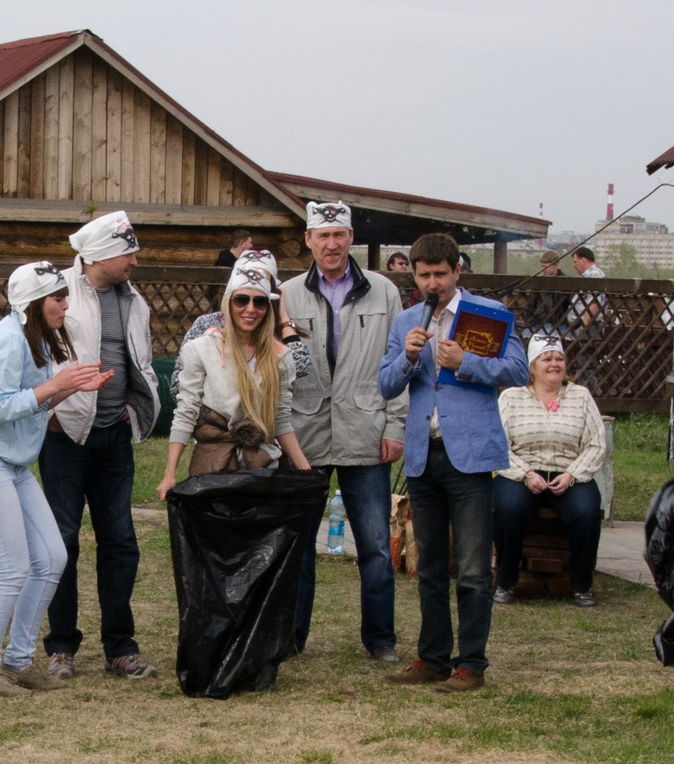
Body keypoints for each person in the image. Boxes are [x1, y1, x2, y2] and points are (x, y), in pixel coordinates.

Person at [379, 230, 528, 693]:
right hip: (425, 453)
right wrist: (406, 360)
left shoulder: (489, 314)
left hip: (469, 454)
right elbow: (384, 384)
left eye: (440, 274)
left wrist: (468, 361)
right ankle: (432, 658)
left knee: (472, 567)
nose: (432, 283)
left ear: (457, 271)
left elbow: (519, 370)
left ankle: (472, 664)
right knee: (429, 566)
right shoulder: (406, 322)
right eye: (423, 275)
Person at [0, 263, 110, 697]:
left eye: (64, 296)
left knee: (52, 558)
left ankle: (19, 660)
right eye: (57, 297)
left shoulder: (35, 337)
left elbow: (31, 404)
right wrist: (55, 385)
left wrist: (70, 389)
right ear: (34, 303)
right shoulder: (7, 338)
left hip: (14, 463)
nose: (65, 304)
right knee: (12, 568)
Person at [280, 200, 408, 662]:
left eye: (339, 234)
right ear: (309, 241)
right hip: (304, 435)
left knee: (375, 545)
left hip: (366, 430)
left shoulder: (384, 291)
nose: (331, 244)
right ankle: (290, 637)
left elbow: (399, 365)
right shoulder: (286, 294)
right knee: (298, 547)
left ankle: (381, 640)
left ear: (351, 238)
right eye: (322, 235)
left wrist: (396, 424)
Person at [39, 210, 160, 683]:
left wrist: (131, 411)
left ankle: (120, 648)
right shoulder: (58, 293)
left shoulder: (136, 302)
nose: (134, 260)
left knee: (121, 542)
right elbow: (36, 352)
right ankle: (61, 647)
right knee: (61, 543)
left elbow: (139, 362)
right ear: (103, 254)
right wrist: (49, 410)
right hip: (64, 438)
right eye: (127, 251)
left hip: (113, 436)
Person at [160, 254, 314, 489]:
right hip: (213, 465)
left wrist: (306, 472)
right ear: (228, 303)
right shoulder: (201, 349)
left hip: (262, 465)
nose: (250, 309)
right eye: (241, 300)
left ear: (268, 307)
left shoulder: (281, 358)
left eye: (259, 302)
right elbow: (186, 412)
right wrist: (170, 473)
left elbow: (281, 420)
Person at [493, 335, 607, 607]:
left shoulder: (580, 396)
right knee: (507, 509)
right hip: (523, 473)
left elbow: (596, 443)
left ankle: (581, 585)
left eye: (559, 359)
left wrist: (572, 475)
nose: (554, 364)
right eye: (547, 359)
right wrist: (525, 474)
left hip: (567, 473)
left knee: (586, 512)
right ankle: (506, 582)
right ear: (532, 367)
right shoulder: (512, 397)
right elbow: (497, 444)